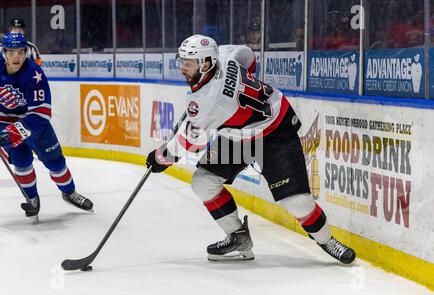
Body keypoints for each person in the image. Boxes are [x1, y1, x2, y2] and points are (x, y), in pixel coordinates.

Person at [145, 34, 356, 264]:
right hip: (239, 136)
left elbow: (186, 145)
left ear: (206, 64)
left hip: (275, 131)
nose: (183, 68)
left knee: (297, 201)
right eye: (183, 61)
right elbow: (247, 56)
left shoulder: (205, 103)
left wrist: (159, 158)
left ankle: (327, 240)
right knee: (203, 182)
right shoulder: (224, 55)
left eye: (189, 63)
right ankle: (238, 238)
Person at [0, 33, 93, 224]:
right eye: (11, 52)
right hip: (1, 120)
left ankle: (69, 193)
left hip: (33, 121)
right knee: (21, 160)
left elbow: (42, 113)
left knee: (55, 162)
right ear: (4, 53)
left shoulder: (34, 74)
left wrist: (18, 130)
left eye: (20, 52)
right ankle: (32, 199)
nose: (16, 57)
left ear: (26, 52)